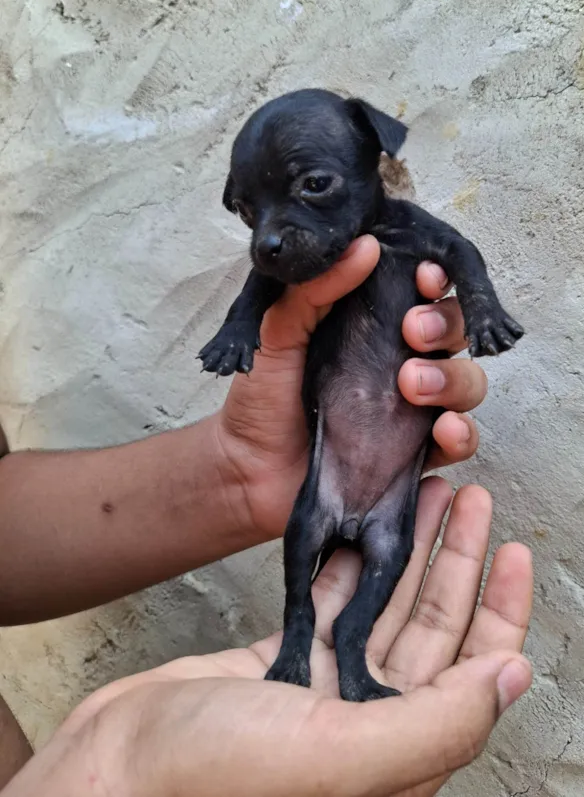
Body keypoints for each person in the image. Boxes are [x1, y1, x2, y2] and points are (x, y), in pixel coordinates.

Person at [0, 236, 533, 796]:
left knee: (386, 554)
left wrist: (241, 473)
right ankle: (303, 635)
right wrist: (113, 773)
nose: (271, 234)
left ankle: (350, 647)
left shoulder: (393, 233)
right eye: (251, 211)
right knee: (324, 565)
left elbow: (458, 251)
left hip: (369, 479)